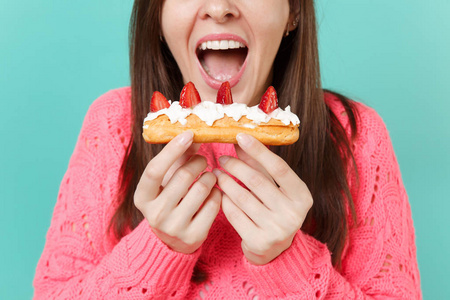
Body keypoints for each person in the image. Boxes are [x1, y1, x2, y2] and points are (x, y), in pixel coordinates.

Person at [33, 0, 422, 299]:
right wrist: (157, 250)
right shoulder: (114, 125)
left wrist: (288, 262)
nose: (220, 9)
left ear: (293, 13)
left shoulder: (354, 135)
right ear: (157, 14)